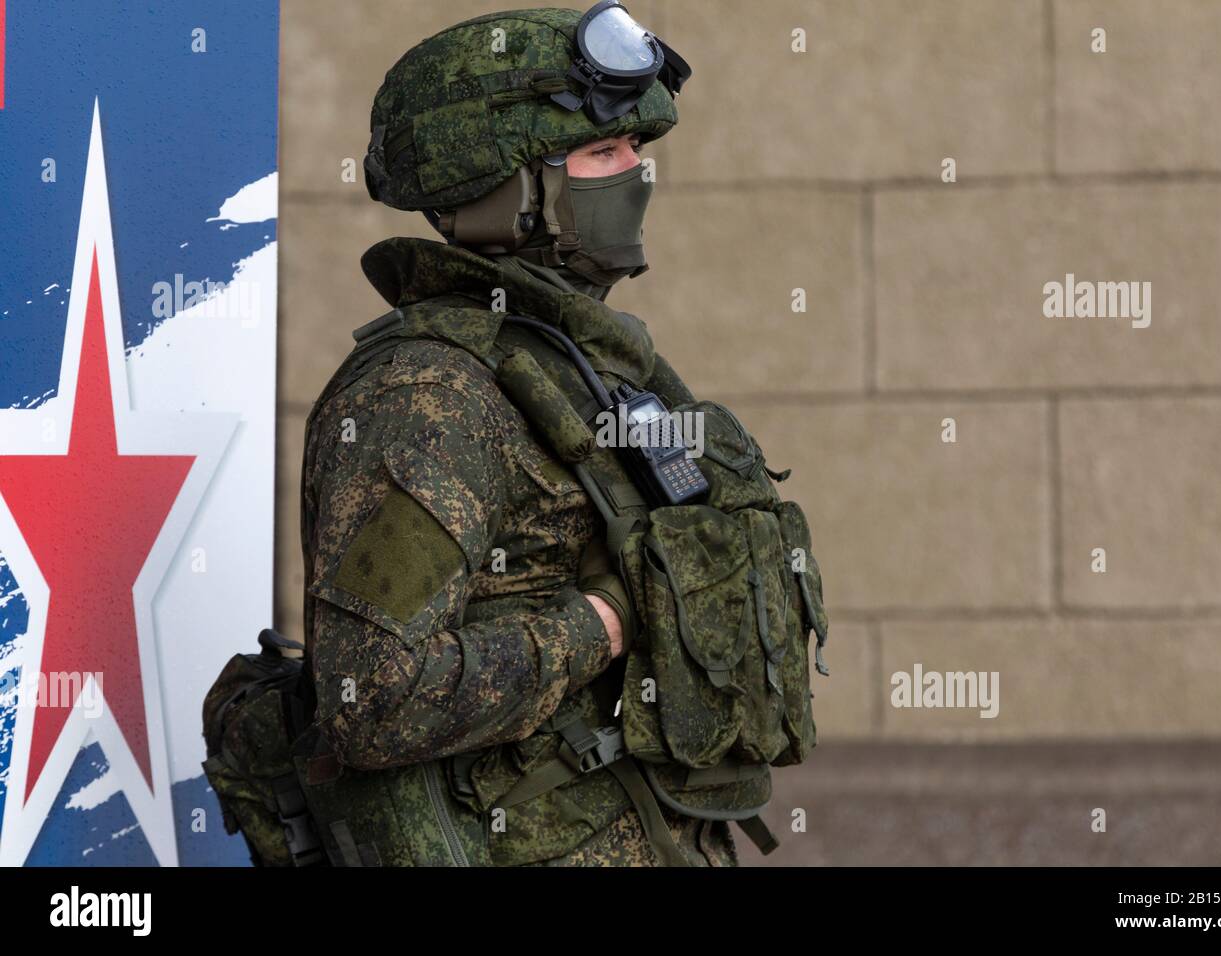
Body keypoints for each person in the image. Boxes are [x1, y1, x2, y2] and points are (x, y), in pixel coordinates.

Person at [295, 2, 828, 867]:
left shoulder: (576, 367)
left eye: (637, 154)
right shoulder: (429, 401)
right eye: (604, 154)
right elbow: (371, 695)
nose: (635, 176)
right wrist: (602, 625)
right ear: (512, 189)